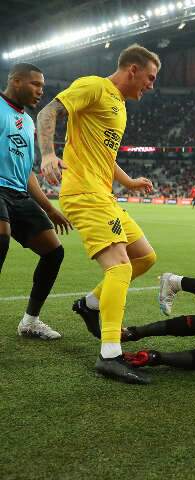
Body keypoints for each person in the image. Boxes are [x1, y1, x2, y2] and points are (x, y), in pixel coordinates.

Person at [37, 44, 160, 384]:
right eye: (150, 78)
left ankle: (90, 304)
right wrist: (48, 154)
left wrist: (128, 181)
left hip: (103, 194)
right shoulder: (94, 86)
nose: (151, 85)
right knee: (119, 267)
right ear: (132, 70)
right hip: (83, 194)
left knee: (145, 258)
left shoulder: (119, 107)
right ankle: (110, 354)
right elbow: (47, 112)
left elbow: (105, 156)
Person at [0, 63, 72, 340]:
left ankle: (30, 322)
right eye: (36, 84)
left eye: (42, 86)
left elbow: (27, 171)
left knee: (54, 252)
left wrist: (50, 208)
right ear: (16, 81)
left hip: (19, 195)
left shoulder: (28, 122)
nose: (41, 91)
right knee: (1, 238)